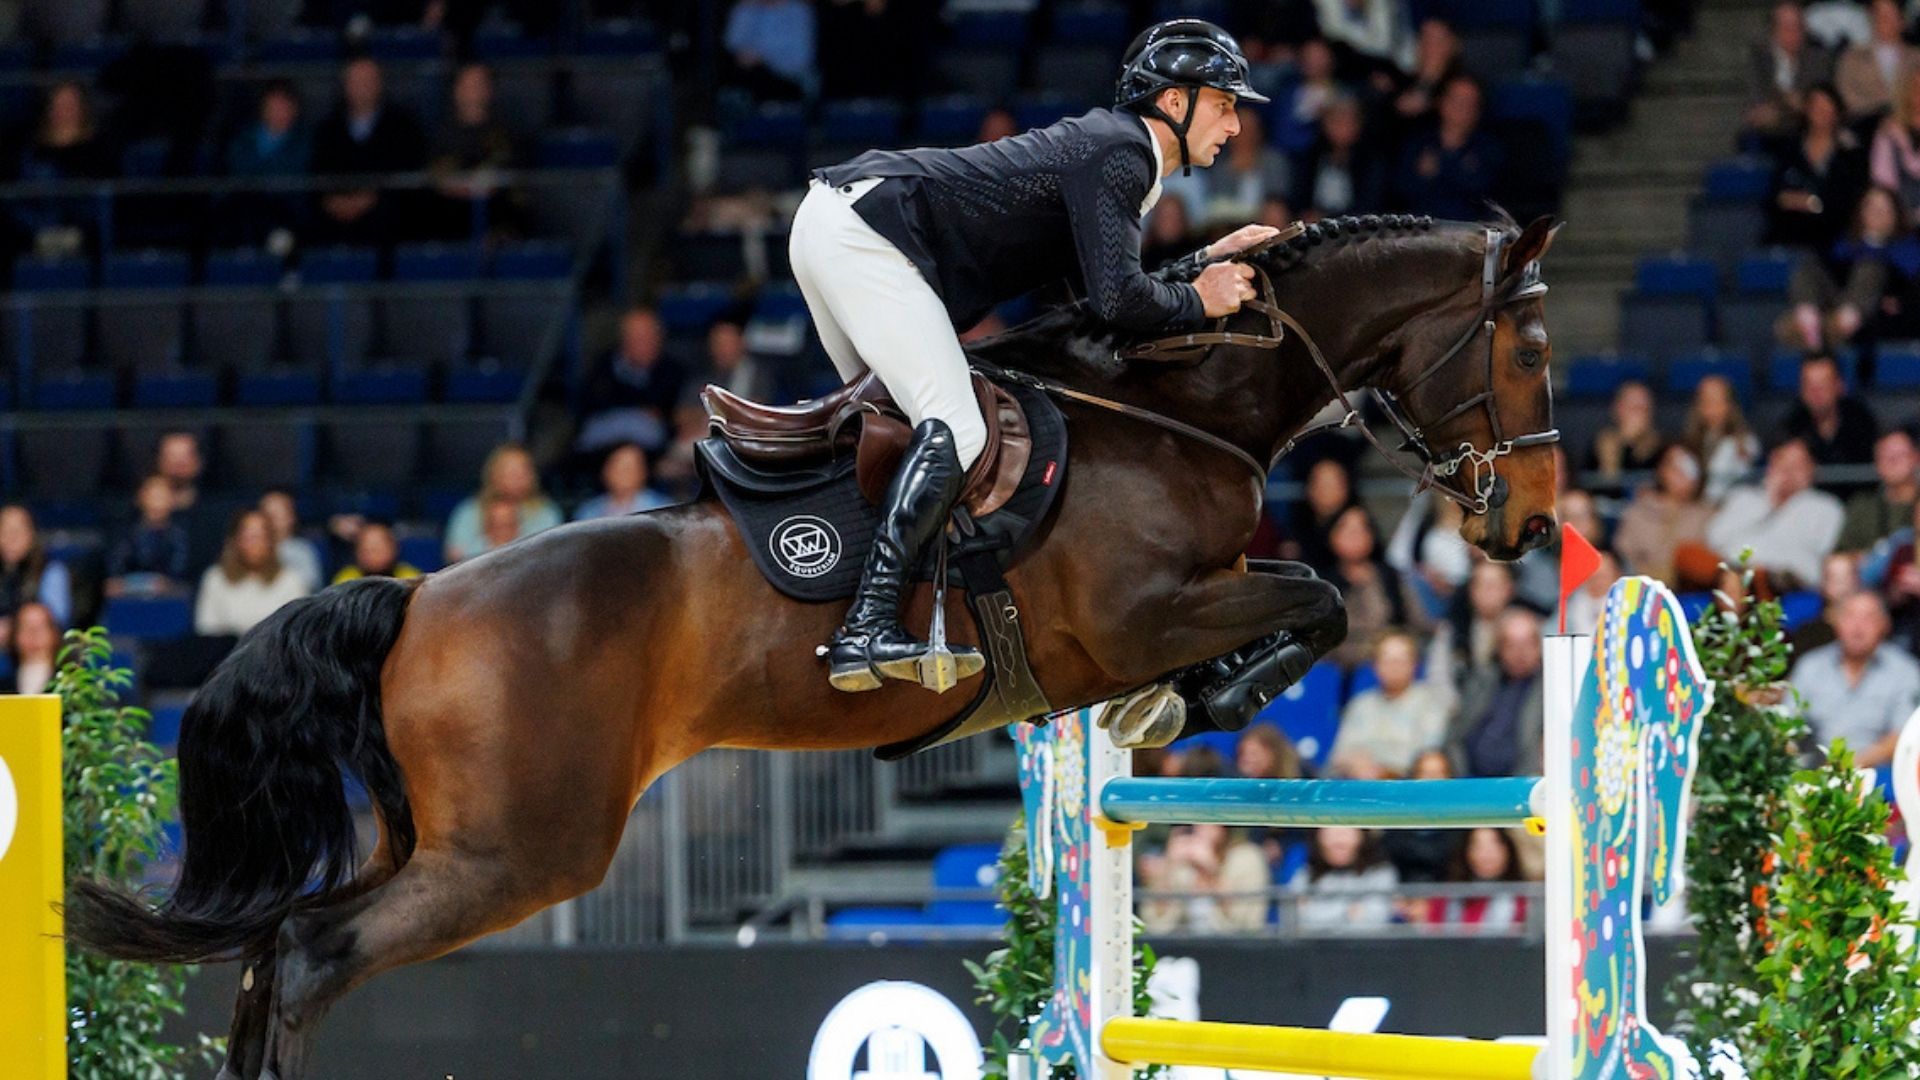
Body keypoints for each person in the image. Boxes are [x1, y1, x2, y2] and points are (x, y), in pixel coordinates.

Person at [795, 19, 1279, 692]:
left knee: (900, 433)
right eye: (1224, 103)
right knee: (957, 430)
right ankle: (866, 627)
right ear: (1174, 102)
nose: (1232, 124)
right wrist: (1201, 298)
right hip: (867, 235)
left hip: (842, 223)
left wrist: (1200, 264)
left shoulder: (1117, 155)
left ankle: (818, 585)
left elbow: (1095, 301)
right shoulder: (1121, 153)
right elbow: (1116, 306)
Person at [1780, 186, 1920, 350]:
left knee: (1871, 267)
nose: (1877, 213)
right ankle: (1809, 319)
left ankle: (1837, 327)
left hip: (1879, 314)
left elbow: (1911, 287)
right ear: (1861, 211)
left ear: (1896, 213)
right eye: (1871, 207)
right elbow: (1829, 276)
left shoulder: (1908, 247)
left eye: (1884, 208)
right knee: (1808, 267)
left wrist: (1900, 301)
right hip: (1838, 302)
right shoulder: (1846, 243)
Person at [1791, 590, 1920, 767]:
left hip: (1880, 777)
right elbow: (1787, 724)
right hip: (1814, 770)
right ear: (1835, 621)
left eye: (1868, 618)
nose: (1858, 627)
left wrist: (1848, 768)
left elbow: (1904, 735)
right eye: (1850, 616)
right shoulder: (1810, 666)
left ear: (1885, 625)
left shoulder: (1905, 671)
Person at [1696, 439, 1845, 590]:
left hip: (1787, 583)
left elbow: (1819, 551)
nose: (1789, 473)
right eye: (1783, 464)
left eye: (1798, 466)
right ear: (1770, 465)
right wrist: (1770, 503)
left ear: (1811, 470)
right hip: (1734, 579)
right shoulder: (1743, 497)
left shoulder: (1826, 507)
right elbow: (1714, 539)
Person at [311, 56, 425, 245]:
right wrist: (333, 202)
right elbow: (317, 174)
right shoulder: (328, 129)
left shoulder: (402, 127)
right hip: (334, 214)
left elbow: (406, 173)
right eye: (356, 81)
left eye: (368, 81)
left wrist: (369, 199)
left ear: (380, 84)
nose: (362, 87)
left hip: (387, 215)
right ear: (345, 86)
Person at [1328, 630, 1452, 776]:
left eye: (1400, 660)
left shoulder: (1430, 702)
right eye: (1387, 660)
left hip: (1411, 787)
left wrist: (1383, 770)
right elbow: (1339, 755)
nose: (1394, 667)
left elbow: (1429, 756)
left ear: (1414, 664)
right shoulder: (1361, 704)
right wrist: (1356, 763)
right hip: (1362, 784)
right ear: (1375, 665)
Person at [427, 61, 523, 242]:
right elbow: (437, 176)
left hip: (494, 211)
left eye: (480, 84)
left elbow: (504, 175)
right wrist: (465, 187)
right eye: (469, 84)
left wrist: (480, 186)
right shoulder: (441, 134)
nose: (474, 90)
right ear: (456, 89)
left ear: (490, 90)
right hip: (449, 212)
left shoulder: (504, 133)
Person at [1766, 84, 1869, 251]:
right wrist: (1786, 199)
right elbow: (1777, 193)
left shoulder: (1850, 152)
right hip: (1789, 230)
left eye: (1826, 105)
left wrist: (1814, 203)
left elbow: (1851, 197)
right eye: (1816, 105)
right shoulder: (1790, 148)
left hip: (1833, 232)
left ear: (1837, 110)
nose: (1821, 111)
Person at [1324, 506, 1429, 669]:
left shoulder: (1390, 577)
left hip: (1389, 664)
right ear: (1332, 537)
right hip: (1336, 668)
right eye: (1346, 529)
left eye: (1361, 529)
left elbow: (1418, 622)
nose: (1355, 535)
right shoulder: (1321, 584)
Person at [1446, 606, 1544, 778]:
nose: (1520, 653)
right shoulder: (1482, 680)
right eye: (1511, 644)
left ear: (1539, 646)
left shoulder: (1550, 686)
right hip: (1468, 780)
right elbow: (1455, 735)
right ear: (1499, 647)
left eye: (1527, 644)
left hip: (1522, 783)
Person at [577, 306, 689, 456]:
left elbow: (672, 415)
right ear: (624, 340)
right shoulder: (603, 366)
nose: (645, 344)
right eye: (638, 338)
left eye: (651, 337)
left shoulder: (674, 372)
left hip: (651, 452)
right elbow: (589, 406)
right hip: (602, 447)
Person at [1393, 74, 1502, 222]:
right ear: (1441, 102)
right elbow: (1403, 189)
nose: (1461, 109)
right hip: (1421, 231)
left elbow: (1482, 193)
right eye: (1456, 100)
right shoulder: (1418, 144)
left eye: (1469, 103)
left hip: (1471, 232)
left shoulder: (1489, 149)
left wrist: (1438, 171)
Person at [194, 510, 313, 637]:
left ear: (271, 541)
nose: (255, 544)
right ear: (235, 540)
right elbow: (206, 629)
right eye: (248, 537)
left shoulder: (291, 580)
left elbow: (297, 632)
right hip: (227, 653)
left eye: (261, 536)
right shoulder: (215, 578)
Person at [222, 79, 312, 245]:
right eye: (273, 105)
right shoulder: (243, 139)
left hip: (287, 210)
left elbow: (295, 173)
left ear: (295, 109)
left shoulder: (306, 142)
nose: (278, 111)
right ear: (263, 108)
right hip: (247, 206)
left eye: (283, 105)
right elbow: (237, 169)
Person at [1139, 822, 1273, 932]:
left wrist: (1211, 869)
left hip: (1235, 952)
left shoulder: (1246, 856)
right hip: (1185, 950)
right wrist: (1168, 865)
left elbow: (1244, 925)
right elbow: (1155, 924)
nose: (1197, 828)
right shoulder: (1185, 858)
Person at [1614, 443, 1715, 588]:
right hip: (1642, 594)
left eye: (1687, 467)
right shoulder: (1638, 512)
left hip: (1692, 596)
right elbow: (1623, 558)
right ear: (1661, 470)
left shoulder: (1708, 515)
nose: (1680, 473)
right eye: (1674, 465)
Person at [444, 443, 563, 563]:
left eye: (523, 470)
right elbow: (456, 557)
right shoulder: (468, 512)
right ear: (493, 473)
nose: (517, 477)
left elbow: (551, 556)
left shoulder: (547, 512)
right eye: (510, 470)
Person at [1781, 353, 1879, 478]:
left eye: (1823, 383)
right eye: (1809, 384)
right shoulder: (1789, 428)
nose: (1815, 391)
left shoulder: (1864, 425)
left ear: (1840, 386)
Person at [1747, 2, 1835, 139]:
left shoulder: (1818, 59)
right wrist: (1791, 103)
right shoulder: (1761, 57)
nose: (1793, 33)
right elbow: (1758, 109)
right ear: (1773, 30)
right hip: (1767, 133)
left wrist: (1788, 105)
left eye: (1798, 27)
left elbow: (1819, 103)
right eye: (1786, 27)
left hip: (1806, 133)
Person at [1288, 826, 1399, 932]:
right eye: (1331, 834)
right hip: (1313, 949)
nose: (1339, 840)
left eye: (1345, 833)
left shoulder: (1380, 872)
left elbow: (1375, 922)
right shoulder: (1305, 874)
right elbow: (1293, 921)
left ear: (1362, 836)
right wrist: (1350, 910)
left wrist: (1314, 912)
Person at [1293, 94, 1386, 219]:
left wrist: (1329, 217)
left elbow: (1370, 205)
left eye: (1347, 123)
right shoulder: (1311, 155)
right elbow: (1299, 198)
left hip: (1357, 227)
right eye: (1336, 121)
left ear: (1359, 125)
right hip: (1314, 225)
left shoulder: (1370, 160)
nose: (1341, 128)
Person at [1420, 827, 1529, 931]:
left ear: (1507, 850)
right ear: (1466, 852)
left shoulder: (1526, 901)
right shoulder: (1445, 898)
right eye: (1478, 847)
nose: (1487, 854)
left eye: (1494, 845)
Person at [106, 475, 191, 598]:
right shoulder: (128, 534)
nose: (156, 503)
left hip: (167, 599)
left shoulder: (178, 536)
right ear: (141, 498)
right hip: (129, 596)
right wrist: (133, 584)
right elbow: (116, 567)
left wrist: (167, 583)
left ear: (172, 501)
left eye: (162, 497)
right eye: (153, 497)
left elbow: (179, 570)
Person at [1835, 0, 1920, 122]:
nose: (1884, 20)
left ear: (1902, 20)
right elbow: (1846, 94)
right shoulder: (1853, 57)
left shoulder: (1916, 57)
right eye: (1879, 14)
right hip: (1865, 124)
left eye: (1890, 15)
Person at [1682, 374, 1763, 499]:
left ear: (1730, 404)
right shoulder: (1686, 444)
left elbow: (1740, 483)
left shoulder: (1745, 443)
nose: (1711, 407)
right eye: (1706, 400)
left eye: (1717, 400)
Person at [1841, 427, 1920, 551]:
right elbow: (1840, 554)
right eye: (1885, 456)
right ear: (1876, 464)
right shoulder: (1863, 505)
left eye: (1900, 454)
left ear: (1916, 457)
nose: (1893, 461)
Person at [0, 505, 71, 641]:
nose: (11, 538)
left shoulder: (51, 571)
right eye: (4, 530)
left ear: (32, 534)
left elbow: (55, 624)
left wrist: (13, 628)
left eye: (18, 531)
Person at [722, 0, 816, 102]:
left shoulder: (800, 11)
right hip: (750, 75)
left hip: (790, 77)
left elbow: (801, 58)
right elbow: (732, 43)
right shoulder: (746, 9)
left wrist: (762, 56)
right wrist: (747, 12)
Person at [1285, 457, 1359, 574]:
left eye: (1332, 484)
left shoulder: (1356, 520)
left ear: (1346, 487)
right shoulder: (1295, 530)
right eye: (1319, 483)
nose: (1324, 491)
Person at [1582, 380, 1664, 484]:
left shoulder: (1663, 447)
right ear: (1617, 409)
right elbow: (1603, 485)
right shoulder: (1602, 443)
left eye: (1644, 408)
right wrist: (1615, 451)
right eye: (1633, 407)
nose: (1638, 413)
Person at [574, 443, 675, 521]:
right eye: (618, 468)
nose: (623, 474)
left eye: (629, 468)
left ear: (643, 472)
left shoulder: (663, 509)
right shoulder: (588, 511)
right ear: (605, 472)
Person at [259, 489, 325, 593]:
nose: (270, 521)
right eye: (266, 514)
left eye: (276, 514)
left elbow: (308, 589)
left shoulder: (302, 551)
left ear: (291, 517)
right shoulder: (250, 548)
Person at [331, 521, 422, 583]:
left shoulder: (411, 579)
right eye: (367, 550)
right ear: (357, 552)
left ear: (393, 549)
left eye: (377, 549)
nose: (372, 555)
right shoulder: (345, 580)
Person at [8, 601, 60, 695]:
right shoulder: (4, 684)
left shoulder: (69, 686)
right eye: (26, 627)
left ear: (54, 634)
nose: (33, 635)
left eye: (40, 628)